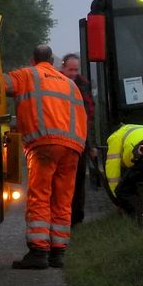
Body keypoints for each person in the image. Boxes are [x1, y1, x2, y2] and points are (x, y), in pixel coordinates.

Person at [5, 45, 87, 269]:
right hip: (73, 146)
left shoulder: (27, 75)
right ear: (52, 60)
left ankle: (39, 251)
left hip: (45, 144)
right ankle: (58, 252)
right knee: (62, 198)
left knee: (40, 195)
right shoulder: (69, 84)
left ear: (33, 60)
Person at [59, 53, 97, 224]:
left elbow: (89, 115)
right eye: (70, 69)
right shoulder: (56, 82)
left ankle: (76, 217)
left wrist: (90, 144)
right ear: (63, 67)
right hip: (61, 138)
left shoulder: (84, 85)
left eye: (76, 69)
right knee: (62, 181)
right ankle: (62, 215)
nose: (73, 73)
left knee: (79, 179)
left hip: (79, 139)